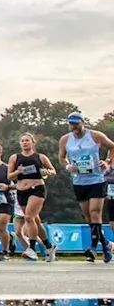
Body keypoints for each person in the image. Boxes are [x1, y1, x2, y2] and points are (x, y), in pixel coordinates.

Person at [58, 112, 114, 262]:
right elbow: (61, 157)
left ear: (82, 122)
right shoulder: (65, 139)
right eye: (71, 123)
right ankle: (106, 245)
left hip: (96, 179)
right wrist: (68, 166)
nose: (73, 126)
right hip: (79, 181)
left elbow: (112, 146)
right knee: (88, 217)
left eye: (76, 123)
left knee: (95, 212)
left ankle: (93, 248)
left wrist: (107, 162)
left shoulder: (95, 136)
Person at [9, 132, 57, 262]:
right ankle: (48, 246)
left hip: (37, 189)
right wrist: (17, 172)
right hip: (21, 191)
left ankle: (32, 249)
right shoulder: (15, 158)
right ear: (20, 143)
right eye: (22, 141)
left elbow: (53, 170)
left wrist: (47, 172)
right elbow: (9, 176)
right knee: (34, 220)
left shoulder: (40, 157)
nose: (25, 143)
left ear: (33, 142)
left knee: (29, 217)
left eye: (27, 140)